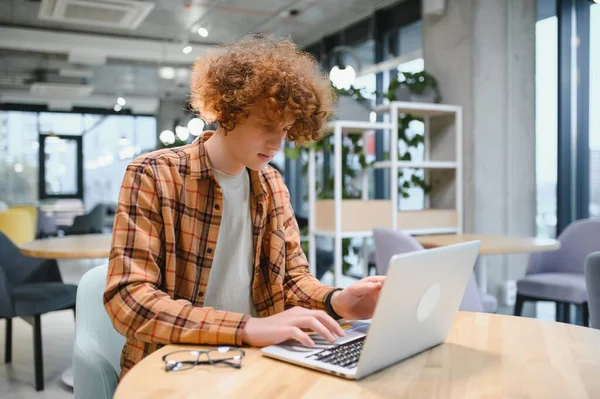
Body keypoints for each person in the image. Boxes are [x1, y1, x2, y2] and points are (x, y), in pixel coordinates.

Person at [104, 34, 385, 379]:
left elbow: (291, 281)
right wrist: (246, 328)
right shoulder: (154, 175)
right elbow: (129, 300)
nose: (278, 143)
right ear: (224, 111)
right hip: (174, 366)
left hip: (257, 359)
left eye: (285, 128)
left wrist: (338, 300)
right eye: (267, 126)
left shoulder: (272, 185)